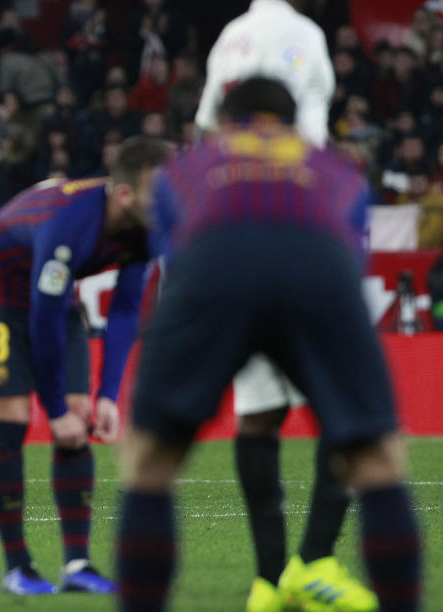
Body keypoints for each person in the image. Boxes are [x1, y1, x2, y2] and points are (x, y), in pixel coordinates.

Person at [117, 78, 422, 612]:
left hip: (213, 268)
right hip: (318, 272)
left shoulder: (190, 165)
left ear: (226, 119)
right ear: (290, 120)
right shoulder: (334, 169)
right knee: (378, 458)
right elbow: (354, 252)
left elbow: (172, 251)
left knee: (150, 459)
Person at [194, 3, 373, 611]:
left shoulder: (229, 39)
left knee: (258, 412)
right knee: (352, 407)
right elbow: (313, 143)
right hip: (299, 230)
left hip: (233, 234)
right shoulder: (305, 36)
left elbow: (205, 136)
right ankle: (315, 560)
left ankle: (270, 580)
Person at [0, 138, 171, 595]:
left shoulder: (149, 226)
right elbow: (43, 319)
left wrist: (109, 394)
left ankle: (78, 566)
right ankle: (19, 568)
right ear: (127, 196)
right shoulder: (69, 223)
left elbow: (128, 309)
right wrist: (52, 409)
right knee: (15, 416)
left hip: (51, 294)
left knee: (81, 413)